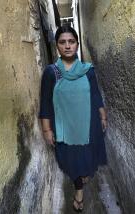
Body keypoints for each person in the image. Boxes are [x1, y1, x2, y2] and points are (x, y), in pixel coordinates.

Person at [38, 25, 107, 212]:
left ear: (77, 44)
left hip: (88, 124)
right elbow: (45, 103)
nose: (67, 46)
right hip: (65, 128)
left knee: (86, 157)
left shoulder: (87, 70)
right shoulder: (52, 72)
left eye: (71, 42)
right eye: (62, 42)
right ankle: (79, 192)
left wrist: (102, 115)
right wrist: (47, 130)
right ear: (57, 46)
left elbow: (95, 94)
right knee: (71, 162)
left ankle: (82, 179)